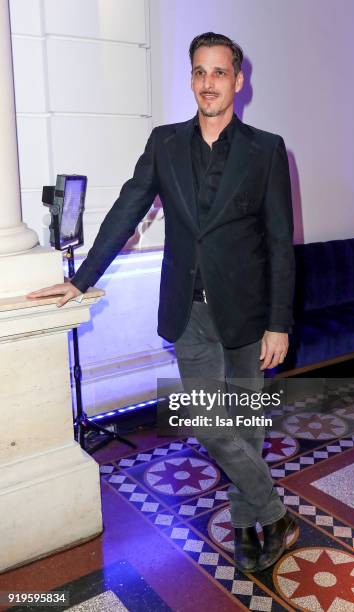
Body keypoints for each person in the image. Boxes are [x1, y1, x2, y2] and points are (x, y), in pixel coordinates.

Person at [27, 32, 296, 573]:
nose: (208, 83)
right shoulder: (165, 143)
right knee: (206, 418)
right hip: (187, 310)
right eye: (199, 72)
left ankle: (248, 522)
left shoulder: (266, 149)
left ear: (238, 82)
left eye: (219, 73)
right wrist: (80, 279)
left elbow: (279, 244)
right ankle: (276, 512)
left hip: (247, 312)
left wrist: (278, 323)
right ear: (191, 78)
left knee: (243, 426)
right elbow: (128, 208)